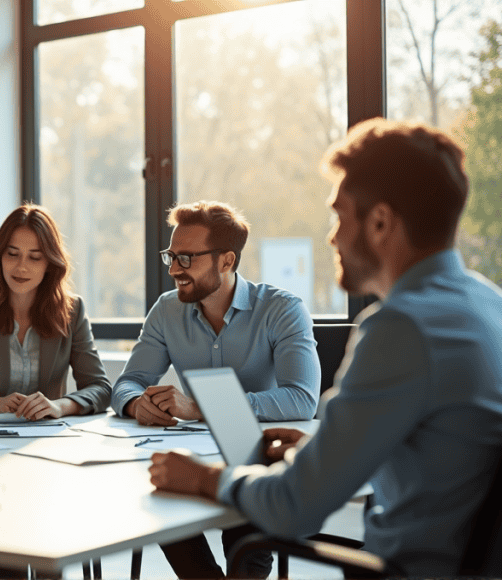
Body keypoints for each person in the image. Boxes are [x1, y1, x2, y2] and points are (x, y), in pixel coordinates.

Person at [149, 119, 502, 577]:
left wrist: (202, 477)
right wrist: (318, 448)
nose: (332, 237)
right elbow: (445, 461)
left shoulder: (400, 328)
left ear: (379, 222)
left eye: (340, 215)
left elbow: (292, 508)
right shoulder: (486, 305)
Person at [112, 200, 320, 578]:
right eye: (171, 256)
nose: (174, 269)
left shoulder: (282, 309)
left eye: (187, 258)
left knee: (245, 527)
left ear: (226, 261)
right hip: (193, 455)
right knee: (161, 490)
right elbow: (127, 384)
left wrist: (201, 407)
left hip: (258, 457)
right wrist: (133, 405)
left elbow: (302, 399)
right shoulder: (165, 311)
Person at [0, 203, 111, 422]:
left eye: (34, 257)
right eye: (12, 254)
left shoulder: (72, 311)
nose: (21, 267)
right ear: (0, 257)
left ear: (50, 263)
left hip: (44, 437)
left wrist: (58, 406)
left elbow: (100, 388)